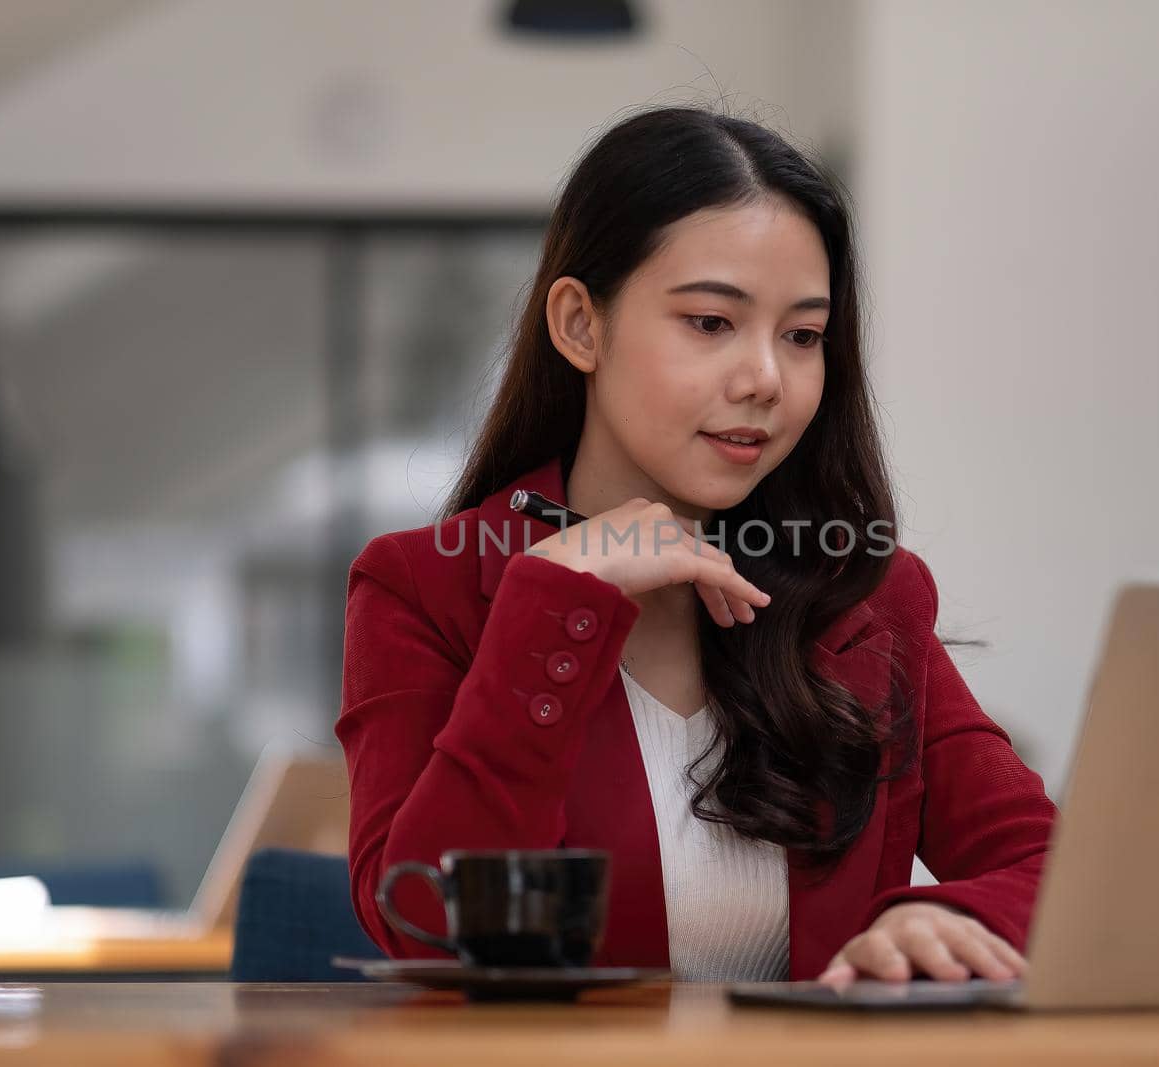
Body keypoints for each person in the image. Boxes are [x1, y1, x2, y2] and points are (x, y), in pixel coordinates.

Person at [336, 104, 1056, 987]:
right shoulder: (424, 587)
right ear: (579, 325)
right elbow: (425, 924)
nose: (765, 380)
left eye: (802, 336)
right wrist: (556, 605)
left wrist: (936, 917)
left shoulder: (867, 595)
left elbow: (1054, 868)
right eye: (711, 322)